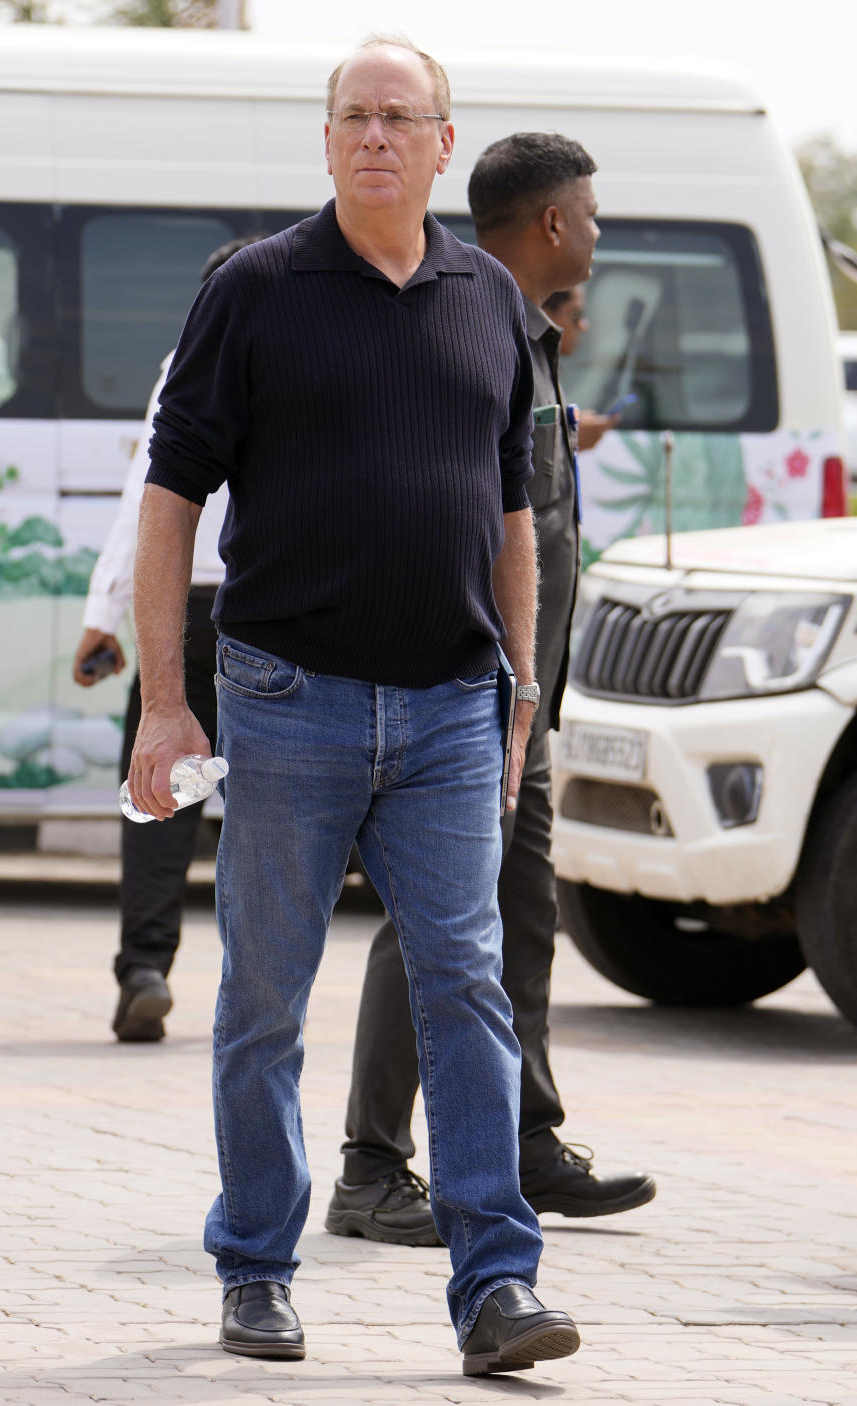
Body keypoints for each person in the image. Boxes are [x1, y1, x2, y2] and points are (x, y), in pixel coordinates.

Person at [127, 37, 581, 1378]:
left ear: (445, 141)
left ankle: (498, 1284)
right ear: (325, 141)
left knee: (470, 989)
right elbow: (169, 502)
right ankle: (258, 1264)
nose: (378, 136)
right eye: (355, 117)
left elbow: (513, 512)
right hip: (288, 697)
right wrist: (168, 702)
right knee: (266, 995)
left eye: (403, 117)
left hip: (451, 707)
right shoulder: (255, 291)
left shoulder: (490, 298)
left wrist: (520, 685)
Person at [326, 133, 656, 1252]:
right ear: (555, 223)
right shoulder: (464, 320)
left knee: (521, 915)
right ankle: (372, 1166)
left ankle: (526, 1138)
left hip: (530, 697)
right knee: (435, 918)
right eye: (593, 215)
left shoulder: (532, 332)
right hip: (474, 691)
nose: (601, 233)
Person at [72, 236, 265, 1043]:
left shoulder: (182, 366)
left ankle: (146, 966)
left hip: (182, 609)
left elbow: (142, 506)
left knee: (162, 794)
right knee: (274, 815)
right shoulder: (298, 356)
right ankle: (259, 989)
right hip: (269, 615)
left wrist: (103, 616)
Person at [542, 285, 620, 449]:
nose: (584, 326)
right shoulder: (528, 372)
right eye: (575, 314)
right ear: (544, 314)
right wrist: (572, 436)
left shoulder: (547, 369)